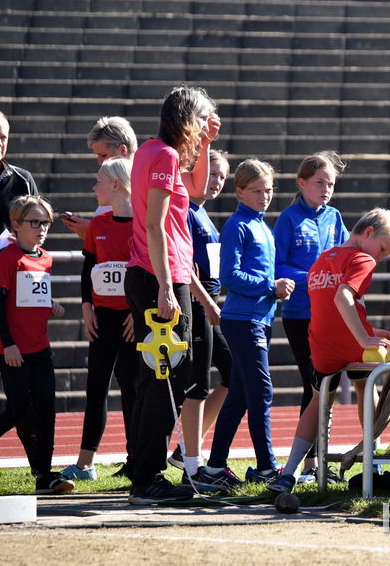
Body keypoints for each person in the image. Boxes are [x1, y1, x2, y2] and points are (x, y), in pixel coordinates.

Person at [123, 85, 220, 505]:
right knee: (166, 380)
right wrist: (166, 287)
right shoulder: (162, 155)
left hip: (163, 275)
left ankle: (143, 470)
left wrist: (208, 145)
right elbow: (154, 226)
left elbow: (195, 192)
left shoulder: (156, 151)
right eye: (201, 119)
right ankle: (147, 478)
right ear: (185, 118)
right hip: (156, 275)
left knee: (160, 379)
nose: (205, 125)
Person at [269, 208, 390, 493]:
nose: (380, 258)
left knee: (318, 403)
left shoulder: (324, 258)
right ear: (368, 233)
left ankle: (289, 473)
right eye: (382, 249)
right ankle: (373, 463)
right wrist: (365, 339)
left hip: (321, 345)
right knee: (367, 388)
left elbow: (329, 306)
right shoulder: (362, 259)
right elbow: (343, 297)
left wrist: (371, 333)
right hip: (350, 344)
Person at [196, 159, 294, 492]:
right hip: (243, 320)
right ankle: (267, 468)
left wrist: (277, 285)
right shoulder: (237, 226)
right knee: (261, 391)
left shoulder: (263, 226)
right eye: (256, 191)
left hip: (260, 319)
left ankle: (214, 468)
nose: (264, 196)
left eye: (268, 190)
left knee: (238, 396)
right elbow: (229, 277)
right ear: (239, 191)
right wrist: (270, 287)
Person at [0, 195, 72, 494]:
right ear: (16, 225)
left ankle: (44, 474)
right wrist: (9, 344)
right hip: (13, 349)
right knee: (19, 410)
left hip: (41, 347)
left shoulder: (46, 257)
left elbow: (31, 297)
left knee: (47, 409)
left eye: (46, 222)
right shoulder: (7, 259)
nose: (41, 228)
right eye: (34, 222)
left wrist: (51, 304)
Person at [273, 151, 348, 483]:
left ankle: (318, 462)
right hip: (301, 313)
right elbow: (278, 265)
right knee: (313, 384)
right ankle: (308, 465)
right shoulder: (288, 219)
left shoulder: (334, 217)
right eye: (319, 182)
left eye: (330, 183)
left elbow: (347, 256)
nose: (326, 189)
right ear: (302, 183)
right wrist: (316, 277)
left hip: (331, 314)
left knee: (325, 386)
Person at [62, 158, 138, 481]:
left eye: (99, 182)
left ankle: (136, 458)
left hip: (133, 321)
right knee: (96, 387)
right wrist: (86, 307)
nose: (94, 188)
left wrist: (138, 312)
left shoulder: (142, 225)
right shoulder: (98, 226)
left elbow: (147, 271)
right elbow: (88, 269)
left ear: (116, 185)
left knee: (132, 389)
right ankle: (85, 464)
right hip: (103, 317)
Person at [0, 108, 38, 475]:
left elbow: (37, 225)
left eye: (3, 136)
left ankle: (38, 464)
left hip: (10, 291)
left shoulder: (21, 180)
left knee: (21, 375)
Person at [169, 149, 231, 480]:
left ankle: (185, 451)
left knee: (235, 374)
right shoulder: (186, 212)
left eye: (222, 177)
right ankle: (192, 463)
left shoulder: (203, 214)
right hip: (197, 302)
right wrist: (206, 302)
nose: (216, 182)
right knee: (197, 384)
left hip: (211, 299)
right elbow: (185, 266)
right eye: (211, 174)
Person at [60, 117, 138, 239]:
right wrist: (90, 231)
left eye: (103, 155)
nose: (100, 162)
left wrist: (92, 230)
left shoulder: (145, 185)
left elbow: (133, 238)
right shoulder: (110, 182)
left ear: (123, 150)